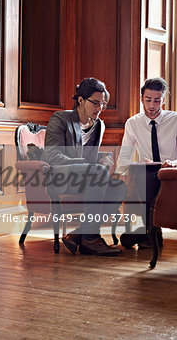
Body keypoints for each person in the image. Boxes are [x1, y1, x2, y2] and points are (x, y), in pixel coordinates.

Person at [43, 78, 127, 256]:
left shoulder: (99, 125)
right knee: (97, 171)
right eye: (95, 103)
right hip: (61, 178)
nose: (100, 109)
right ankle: (91, 238)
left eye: (103, 104)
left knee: (119, 187)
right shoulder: (61, 119)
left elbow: (88, 156)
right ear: (81, 100)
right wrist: (89, 166)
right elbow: (52, 155)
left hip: (87, 178)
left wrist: (101, 160)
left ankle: (82, 234)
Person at [116, 77, 177, 248]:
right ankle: (151, 233)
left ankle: (144, 233)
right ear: (141, 99)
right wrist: (135, 164)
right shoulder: (133, 123)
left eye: (157, 100)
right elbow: (123, 160)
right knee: (144, 175)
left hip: (171, 173)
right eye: (148, 100)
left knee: (147, 179)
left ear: (163, 100)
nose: (152, 105)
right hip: (146, 173)